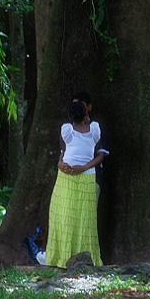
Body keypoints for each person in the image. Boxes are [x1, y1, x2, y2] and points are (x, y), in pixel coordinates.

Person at [46, 100, 105, 268]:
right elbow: (64, 152)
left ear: (70, 116)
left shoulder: (66, 131)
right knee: (84, 219)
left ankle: (62, 258)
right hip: (84, 176)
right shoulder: (94, 130)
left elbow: (63, 150)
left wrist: (61, 163)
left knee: (64, 216)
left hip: (67, 176)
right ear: (86, 114)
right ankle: (82, 257)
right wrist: (62, 163)